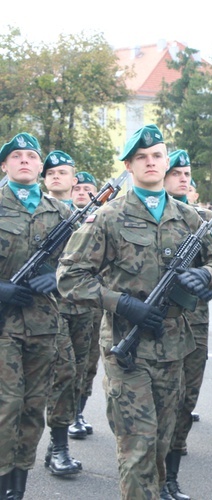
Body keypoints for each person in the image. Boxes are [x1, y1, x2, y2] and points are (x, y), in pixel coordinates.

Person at [57, 124, 212, 500]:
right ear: (129, 165)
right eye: (141, 157)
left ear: (166, 162)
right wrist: (122, 303)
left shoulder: (189, 217)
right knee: (138, 449)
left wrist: (205, 273)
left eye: (157, 156)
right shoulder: (108, 217)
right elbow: (70, 278)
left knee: (162, 444)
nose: (150, 162)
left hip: (174, 349)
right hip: (127, 349)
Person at [0, 133, 70, 499]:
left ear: (40, 166)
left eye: (31, 156)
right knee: (5, 407)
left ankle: (18, 485)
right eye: (16, 156)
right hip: (2, 328)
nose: (24, 160)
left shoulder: (62, 213)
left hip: (44, 326)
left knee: (31, 410)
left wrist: (57, 277)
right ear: (4, 166)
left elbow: (83, 268)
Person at [161, 149, 212, 500]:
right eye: (176, 172)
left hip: (194, 320)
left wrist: (208, 279)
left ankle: (171, 472)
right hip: (155, 321)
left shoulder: (202, 219)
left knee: (186, 398)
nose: (184, 178)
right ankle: (154, 473)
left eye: (187, 173)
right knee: (160, 403)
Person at [40, 150, 91, 476]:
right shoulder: (35, 212)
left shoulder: (89, 216)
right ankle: (59, 446)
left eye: (64, 172)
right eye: (52, 172)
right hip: (49, 307)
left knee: (80, 375)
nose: (57, 176)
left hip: (83, 307)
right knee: (64, 372)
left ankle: (56, 441)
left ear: (75, 181)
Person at [68, 171, 104, 440]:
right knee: (66, 366)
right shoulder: (61, 217)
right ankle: (64, 416)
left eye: (87, 188)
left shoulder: (104, 219)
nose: (82, 193)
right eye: (77, 188)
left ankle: (77, 413)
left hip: (94, 307)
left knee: (89, 363)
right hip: (64, 307)